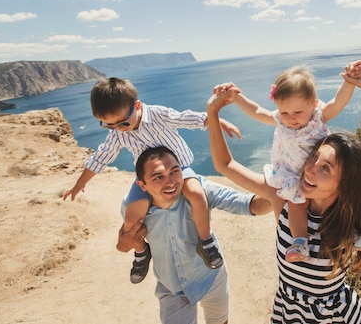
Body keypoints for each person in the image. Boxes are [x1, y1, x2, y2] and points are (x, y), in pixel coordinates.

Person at [206, 60, 361, 323]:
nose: (309, 170)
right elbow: (224, 164)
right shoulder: (284, 197)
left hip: (335, 317)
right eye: (313, 158)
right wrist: (213, 113)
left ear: (344, 182)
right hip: (288, 312)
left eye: (326, 169)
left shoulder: (354, 212)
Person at [63, 77, 240, 283]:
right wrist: (80, 183)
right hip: (147, 178)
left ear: (137, 106)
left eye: (122, 123)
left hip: (178, 169)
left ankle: (205, 241)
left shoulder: (158, 114)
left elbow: (187, 118)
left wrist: (220, 122)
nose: (118, 128)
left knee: (196, 195)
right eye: (108, 126)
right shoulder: (119, 133)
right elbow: (102, 156)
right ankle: (141, 251)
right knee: (130, 216)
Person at [212, 63, 361, 263]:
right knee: (296, 206)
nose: (291, 118)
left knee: (338, 202)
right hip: (291, 175)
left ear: (313, 104)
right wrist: (236, 97)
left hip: (316, 173)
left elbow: (337, 102)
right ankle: (299, 242)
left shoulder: (318, 117)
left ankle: (350, 234)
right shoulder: (280, 119)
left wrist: (349, 82)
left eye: (297, 112)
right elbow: (256, 111)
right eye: (285, 112)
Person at [116, 146, 272, 324]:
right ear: (141, 185)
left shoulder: (199, 190)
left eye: (175, 171)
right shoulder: (132, 207)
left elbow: (250, 205)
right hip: (171, 286)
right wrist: (124, 244)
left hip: (210, 277)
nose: (171, 182)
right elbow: (123, 245)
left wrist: (276, 194)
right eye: (158, 177)